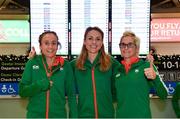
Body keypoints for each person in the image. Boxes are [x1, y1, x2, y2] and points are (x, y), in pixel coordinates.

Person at [19, 31, 77, 118]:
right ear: (40, 46)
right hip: (35, 116)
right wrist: (40, 85)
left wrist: (74, 117)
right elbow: (22, 91)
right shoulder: (32, 63)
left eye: (54, 43)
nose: (50, 47)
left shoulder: (65, 65)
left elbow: (71, 95)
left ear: (57, 46)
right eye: (46, 43)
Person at [114, 31, 168, 118]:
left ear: (137, 48)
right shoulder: (117, 70)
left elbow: (164, 95)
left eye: (130, 45)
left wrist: (155, 78)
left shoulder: (146, 66)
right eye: (123, 44)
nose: (126, 47)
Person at [70, 26, 119, 118]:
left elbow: (125, 80)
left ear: (101, 42)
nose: (94, 42)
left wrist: (108, 100)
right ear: (84, 41)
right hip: (83, 115)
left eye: (98, 39)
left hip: (106, 115)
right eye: (90, 38)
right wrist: (34, 60)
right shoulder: (74, 65)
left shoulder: (112, 63)